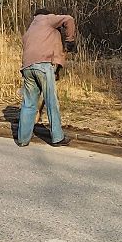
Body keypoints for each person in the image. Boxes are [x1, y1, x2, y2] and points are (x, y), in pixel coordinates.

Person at [16, 11, 77, 147]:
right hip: (43, 66)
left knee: (28, 104)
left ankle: (22, 139)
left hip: (27, 68)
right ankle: (57, 138)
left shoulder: (30, 30)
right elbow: (69, 19)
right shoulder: (48, 19)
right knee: (51, 102)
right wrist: (70, 40)